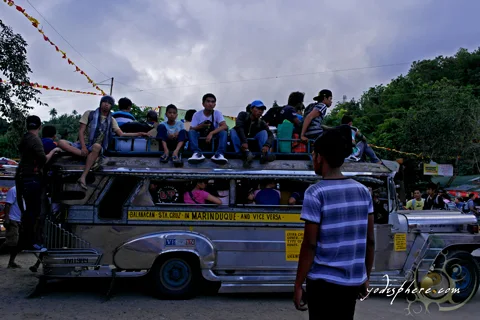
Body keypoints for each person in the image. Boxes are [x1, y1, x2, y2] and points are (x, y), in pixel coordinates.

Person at [293, 125, 375, 320]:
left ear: (320, 157)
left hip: (323, 283)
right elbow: (370, 240)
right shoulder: (363, 191)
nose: (313, 160)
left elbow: (310, 244)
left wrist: (298, 284)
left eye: (313, 155)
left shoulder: (315, 192)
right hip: (352, 282)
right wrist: (365, 277)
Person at [57, 95, 150, 190]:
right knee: (61, 142)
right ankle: (86, 155)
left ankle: (83, 176)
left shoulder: (112, 120)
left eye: (109, 103)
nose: (106, 104)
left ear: (111, 106)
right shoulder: (89, 114)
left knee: (97, 146)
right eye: (104, 102)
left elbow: (121, 134)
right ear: (101, 103)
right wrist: (84, 147)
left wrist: (139, 133)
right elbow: (81, 131)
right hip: (82, 144)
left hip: (95, 147)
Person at [15, 115, 61, 251]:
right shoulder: (35, 140)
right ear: (39, 126)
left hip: (23, 177)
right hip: (32, 178)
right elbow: (44, 160)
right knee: (34, 211)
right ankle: (29, 241)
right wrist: (54, 150)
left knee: (29, 211)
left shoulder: (25, 138)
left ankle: (25, 240)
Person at [231, 100, 275, 167]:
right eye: (258, 109)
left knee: (264, 132)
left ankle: (264, 155)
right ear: (251, 109)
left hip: (252, 145)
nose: (260, 111)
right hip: (241, 144)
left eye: (262, 110)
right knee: (233, 131)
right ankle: (242, 154)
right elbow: (239, 127)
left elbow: (270, 135)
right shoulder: (243, 115)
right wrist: (244, 141)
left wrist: (267, 145)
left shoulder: (261, 123)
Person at [188, 93, 228, 165]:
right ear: (203, 104)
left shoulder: (217, 113)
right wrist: (200, 126)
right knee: (191, 132)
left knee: (223, 132)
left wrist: (211, 133)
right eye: (208, 101)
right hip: (201, 139)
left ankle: (219, 154)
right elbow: (192, 128)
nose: (210, 104)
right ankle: (197, 153)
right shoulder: (197, 114)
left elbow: (225, 126)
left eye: (212, 102)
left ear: (215, 105)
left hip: (213, 140)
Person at [0, 186, 25, 268]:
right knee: (10, 242)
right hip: (13, 219)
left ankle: (11, 262)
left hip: (20, 220)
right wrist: (7, 218)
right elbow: (7, 205)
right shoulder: (14, 190)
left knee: (17, 243)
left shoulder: (24, 190)